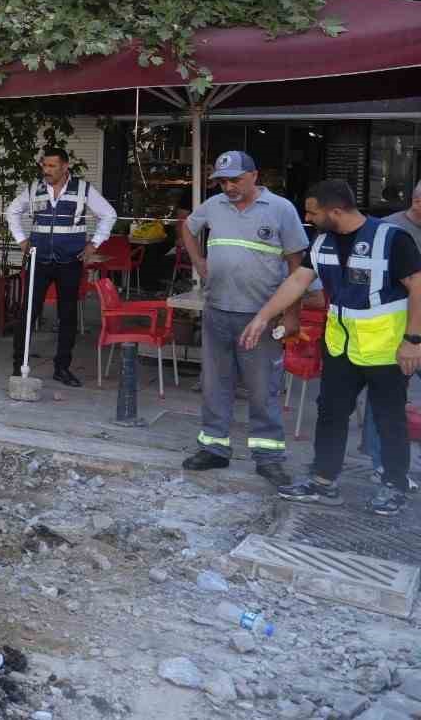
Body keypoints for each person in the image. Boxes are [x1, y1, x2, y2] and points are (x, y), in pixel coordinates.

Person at [241, 179, 421, 517]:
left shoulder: (392, 239)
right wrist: (263, 317)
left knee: (389, 418)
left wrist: (413, 340)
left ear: (335, 211)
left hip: (386, 349)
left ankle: (394, 485)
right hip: (341, 348)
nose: (307, 217)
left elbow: (418, 287)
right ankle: (323, 481)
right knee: (330, 414)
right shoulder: (322, 241)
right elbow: (297, 280)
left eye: (312, 211)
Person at [178, 151, 307, 485]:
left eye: (235, 179)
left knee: (263, 389)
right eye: (222, 180)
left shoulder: (281, 209)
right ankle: (214, 448)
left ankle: (268, 457)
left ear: (255, 175)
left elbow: (298, 267)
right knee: (214, 385)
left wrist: (292, 314)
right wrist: (199, 263)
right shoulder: (213, 205)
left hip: (260, 316)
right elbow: (188, 229)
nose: (228, 186)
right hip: (218, 309)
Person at [5, 147, 117, 387]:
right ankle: (18, 365)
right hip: (39, 259)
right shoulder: (35, 188)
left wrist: (93, 244)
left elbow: (109, 214)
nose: (46, 170)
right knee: (28, 313)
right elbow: (12, 211)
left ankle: (62, 368)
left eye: (52, 166)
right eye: (44, 166)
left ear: (65, 167)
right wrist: (21, 240)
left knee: (67, 316)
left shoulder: (83, 189)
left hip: (70, 261)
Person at [365, 180, 421, 489]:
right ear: (417, 202)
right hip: (396, 329)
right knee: (386, 400)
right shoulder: (386, 231)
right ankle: (383, 465)